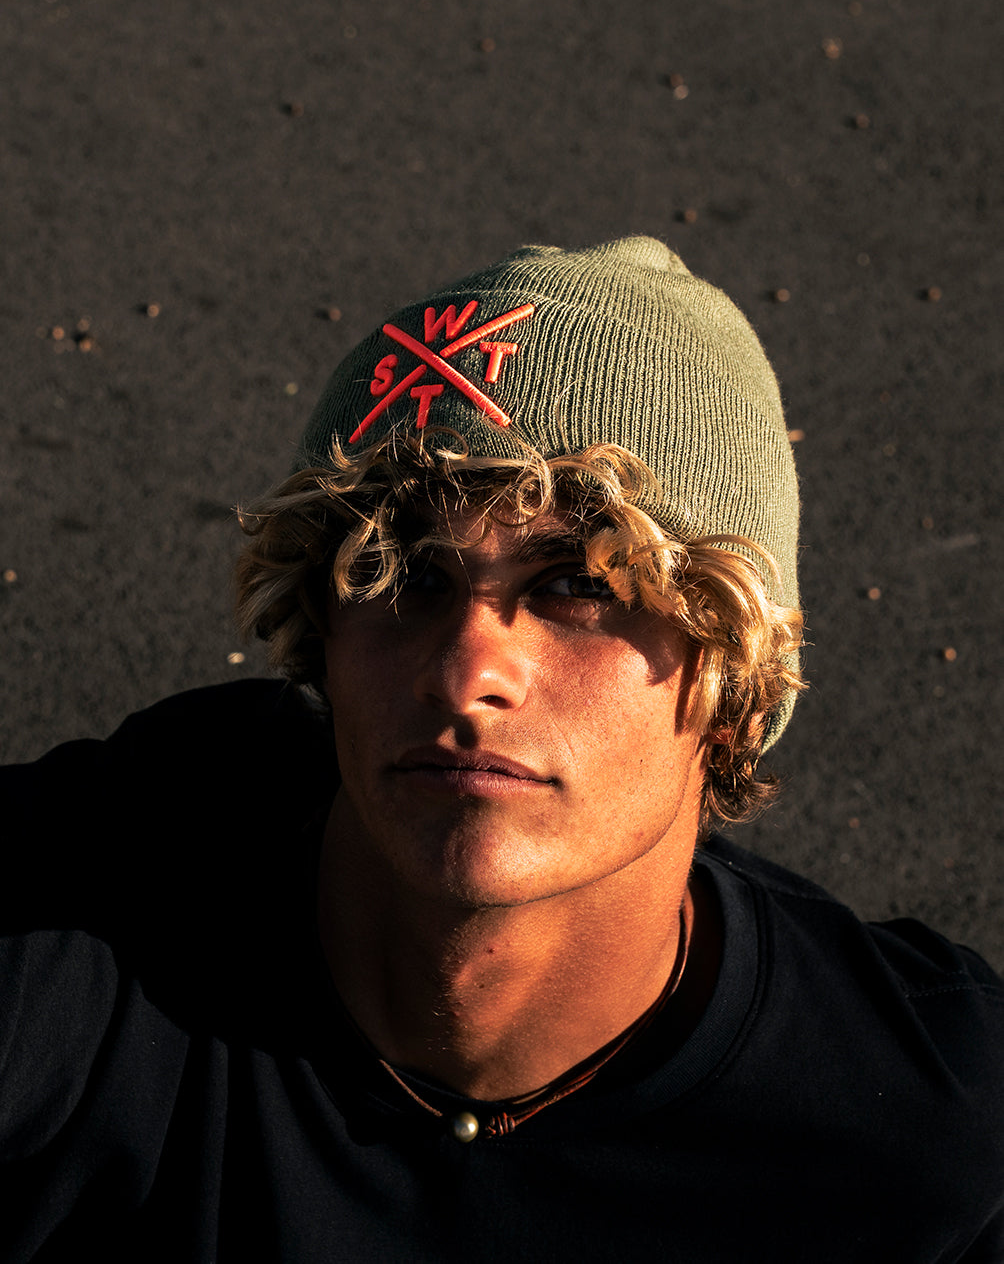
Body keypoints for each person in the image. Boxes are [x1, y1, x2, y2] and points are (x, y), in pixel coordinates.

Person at [1, 237, 1001, 1262]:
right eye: (403, 572)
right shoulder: (95, 895)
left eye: (580, 582)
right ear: (321, 642)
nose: (466, 669)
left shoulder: (923, 1128)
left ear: (734, 679)